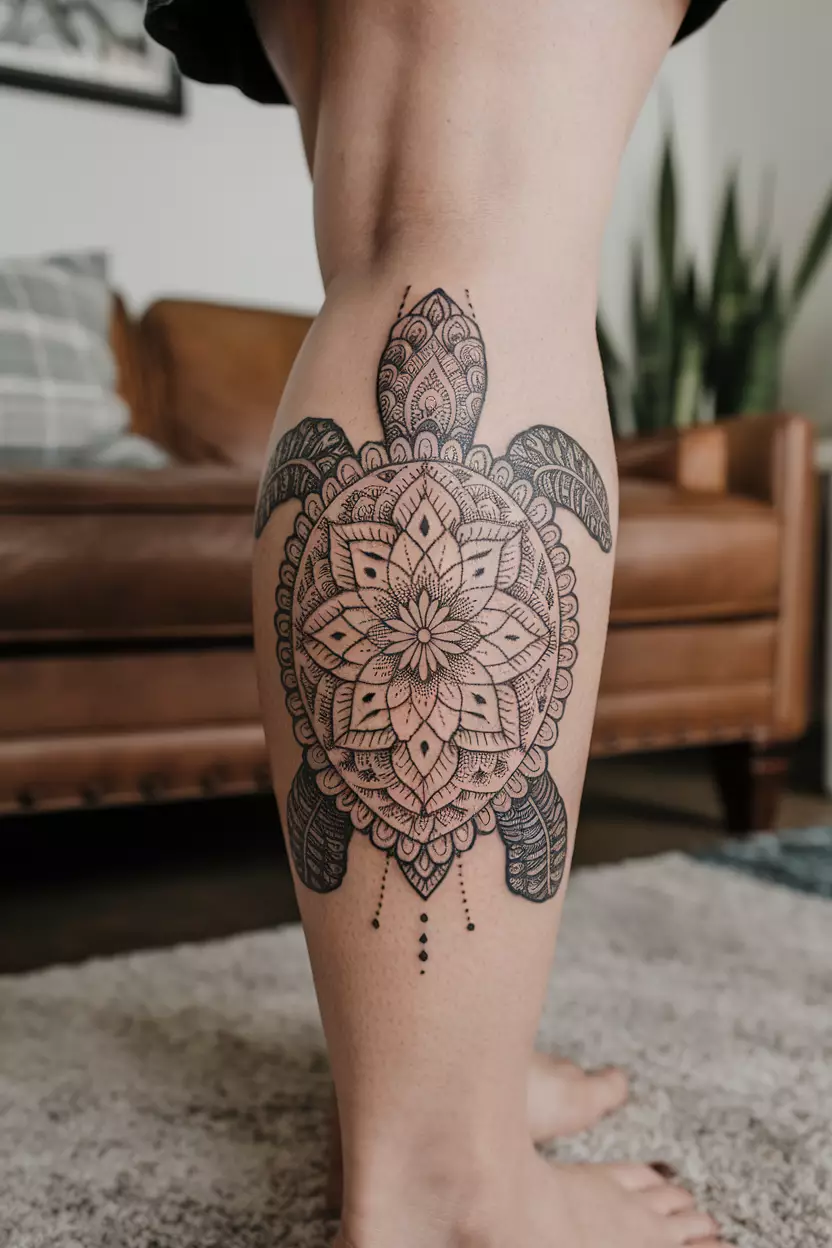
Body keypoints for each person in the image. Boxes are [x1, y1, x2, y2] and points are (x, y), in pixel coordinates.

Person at [146, 3, 731, 1245]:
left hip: (375, 696)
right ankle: (443, 1186)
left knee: (394, 190)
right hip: (448, 709)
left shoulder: (334, 458)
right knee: (481, 214)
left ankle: (439, 1071)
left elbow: (320, 456)